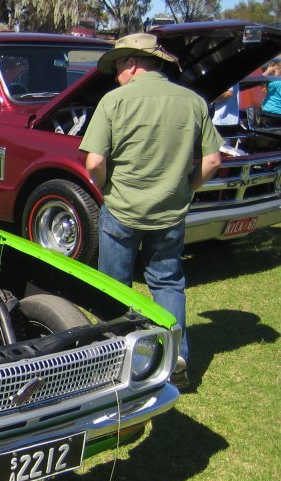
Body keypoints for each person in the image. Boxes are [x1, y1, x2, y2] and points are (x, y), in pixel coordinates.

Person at [79, 33, 223, 389]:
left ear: (131, 63)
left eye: (117, 67)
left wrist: (104, 187)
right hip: (170, 213)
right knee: (168, 282)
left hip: (121, 210)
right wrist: (186, 188)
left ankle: (115, 359)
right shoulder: (193, 101)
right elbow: (212, 161)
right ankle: (176, 357)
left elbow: (94, 162)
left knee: (113, 287)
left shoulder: (114, 101)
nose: (116, 75)